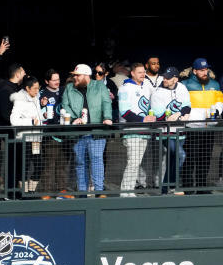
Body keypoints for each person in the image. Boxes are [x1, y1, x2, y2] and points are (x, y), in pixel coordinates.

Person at [62, 63, 113, 194]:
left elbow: (106, 102)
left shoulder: (99, 86)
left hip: (97, 131)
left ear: (86, 75)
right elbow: (65, 105)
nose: (75, 78)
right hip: (78, 132)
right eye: (74, 75)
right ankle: (82, 193)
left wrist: (107, 117)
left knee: (96, 160)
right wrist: (74, 119)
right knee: (80, 163)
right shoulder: (69, 88)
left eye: (78, 75)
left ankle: (99, 192)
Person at [183, 58, 223, 190]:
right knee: (190, 158)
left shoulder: (215, 84)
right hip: (192, 128)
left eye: (206, 69)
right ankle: (188, 187)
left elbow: (220, 101)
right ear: (194, 71)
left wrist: (217, 111)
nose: (205, 72)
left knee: (206, 158)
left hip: (209, 128)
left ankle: (202, 187)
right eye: (202, 70)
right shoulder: (184, 84)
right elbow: (182, 105)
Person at [148, 66, 191, 192]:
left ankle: (166, 188)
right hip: (164, 131)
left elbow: (187, 106)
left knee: (173, 158)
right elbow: (163, 117)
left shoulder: (182, 87)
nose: (165, 79)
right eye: (164, 77)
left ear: (175, 79)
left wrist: (179, 114)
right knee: (180, 155)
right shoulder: (157, 93)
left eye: (168, 78)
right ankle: (171, 184)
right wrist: (180, 115)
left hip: (179, 130)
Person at [118, 62, 156, 193]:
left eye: (144, 72)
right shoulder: (125, 88)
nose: (143, 74)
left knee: (137, 163)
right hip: (131, 131)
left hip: (144, 131)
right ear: (132, 73)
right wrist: (143, 119)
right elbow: (124, 112)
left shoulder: (147, 86)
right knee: (133, 162)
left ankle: (129, 190)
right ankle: (126, 191)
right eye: (139, 72)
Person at [10, 75, 44, 194]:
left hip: (36, 138)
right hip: (24, 138)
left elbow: (37, 115)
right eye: (35, 88)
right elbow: (13, 120)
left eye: (38, 88)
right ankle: (23, 193)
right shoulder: (20, 99)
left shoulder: (36, 97)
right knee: (24, 167)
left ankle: (31, 192)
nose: (37, 91)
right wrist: (30, 122)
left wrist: (42, 115)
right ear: (27, 88)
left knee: (39, 165)